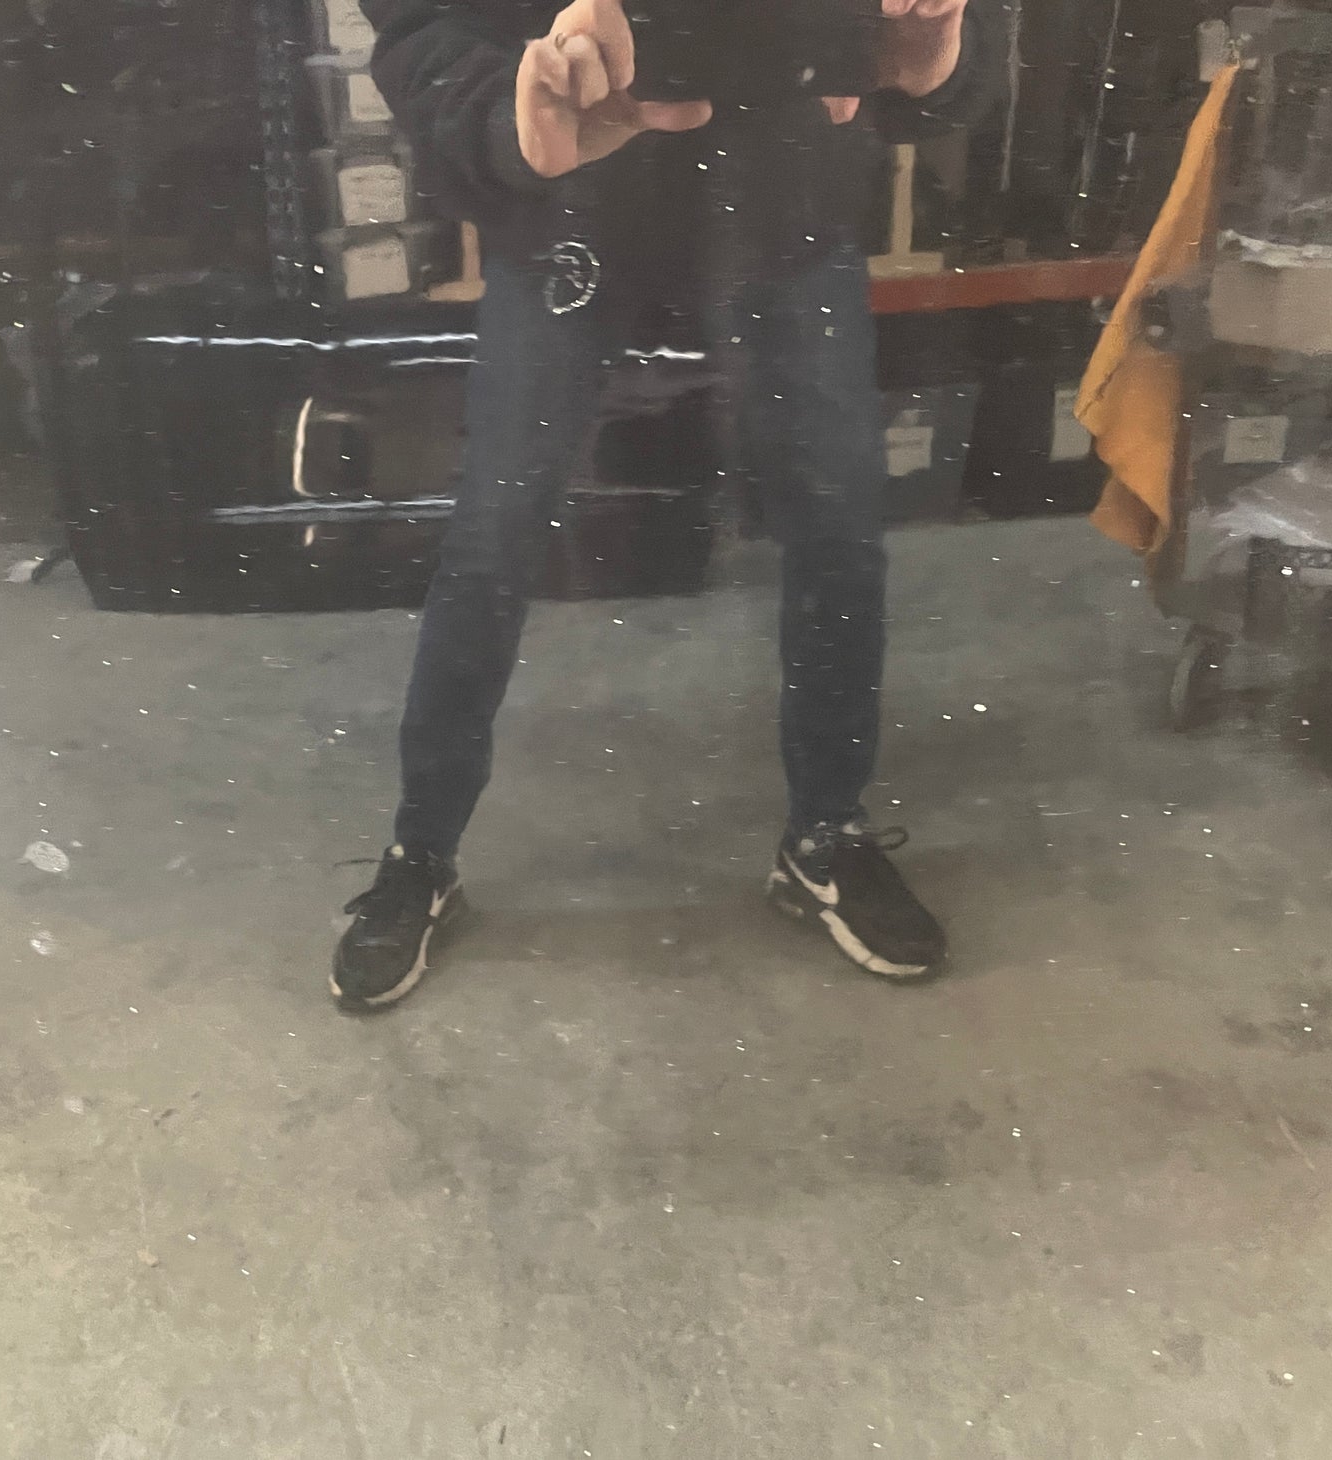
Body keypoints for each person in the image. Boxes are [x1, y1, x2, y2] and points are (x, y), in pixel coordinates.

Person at [334, 0, 1001, 1009]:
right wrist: (502, 112)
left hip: (782, 212)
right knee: (493, 538)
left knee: (837, 530)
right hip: (573, 208)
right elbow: (420, 20)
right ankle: (421, 849)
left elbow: (932, 46)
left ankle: (825, 833)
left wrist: (935, 66)